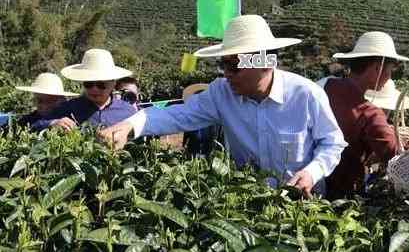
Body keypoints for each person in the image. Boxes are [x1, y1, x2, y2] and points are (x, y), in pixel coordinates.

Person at [98, 15, 347, 198]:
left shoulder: (306, 95)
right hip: (249, 203)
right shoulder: (221, 93)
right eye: (223, 65)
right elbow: (179, 115)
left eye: (233, 66)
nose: (226, 74)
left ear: (264, 63)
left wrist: (312, 173)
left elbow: (332, 143)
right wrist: (131, 123)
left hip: (303, 205)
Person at [320, 31, 409, 199]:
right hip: (338, 197)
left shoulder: (324, 85)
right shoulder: (369, 114)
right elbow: (405, 165)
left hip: (309, 181)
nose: (389, 77)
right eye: (390, 71)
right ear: (378, 68)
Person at [32, 49, 137, 131]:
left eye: (101, 85)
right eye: (89, 84)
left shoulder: (127, 111)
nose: (94, 89)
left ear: (113, 83)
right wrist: (52, 123)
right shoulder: (68, 108)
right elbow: (35, 126)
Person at [181, 83, 223, 157]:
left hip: (211, 158)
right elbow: (186, 139)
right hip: (192, 157)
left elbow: (221, 141)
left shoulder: (218, 120)